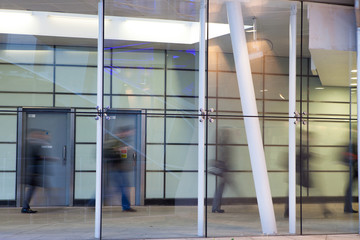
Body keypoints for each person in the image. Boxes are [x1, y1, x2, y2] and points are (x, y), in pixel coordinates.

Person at [104, 126, 136, 212]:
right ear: (123, 132)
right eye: (128, 132)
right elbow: (108, 152)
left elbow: (122, 156)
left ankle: (126, 206)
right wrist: (120, 150)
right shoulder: (114, 141)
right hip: (115, 169)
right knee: (121, 188)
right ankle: (94, 201)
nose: (129, 134)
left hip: (120, 169)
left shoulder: (122, 140)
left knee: (121, 188)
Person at [21, 129, 51, 214]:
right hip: (32, 172)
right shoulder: (31, 145)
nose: (39, 136)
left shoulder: (32, 144)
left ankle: (26, 207)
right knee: (32, 189)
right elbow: (36, 157)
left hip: (33, 171)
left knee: (32, 189)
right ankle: (25, 207)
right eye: (37, 134)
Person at [210, 127, 237, 213]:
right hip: (223, 170)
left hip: (223, 170)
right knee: (221, 189)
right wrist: (225, 169)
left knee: (221, 189)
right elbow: (224, 158)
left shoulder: (222, 144)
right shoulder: (223, 145)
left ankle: (215, 207)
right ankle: (215, 207)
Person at [343, 142, 358, 213]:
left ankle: (347, 207)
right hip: (355, 170)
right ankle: (347, 208)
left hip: (354, 170)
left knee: (349, 189)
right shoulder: (353, 145)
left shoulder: (353, 144)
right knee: (349, 189)